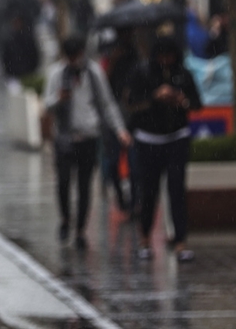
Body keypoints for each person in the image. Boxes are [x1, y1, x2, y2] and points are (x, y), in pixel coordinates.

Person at [43, 36, 131, 249]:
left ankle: (81, 229)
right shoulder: (57, 73)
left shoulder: (94, 73)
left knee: (84, 185)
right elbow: (46, 104)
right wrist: (58, 98)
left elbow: (107, 103)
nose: (74, 61)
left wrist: (120, 130)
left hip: (89, 138)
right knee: (63, 183)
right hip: (64, 137)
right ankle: (65, 219)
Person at [127, 36, 202, 262]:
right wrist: (155, 98)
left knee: (177, 190)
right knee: (149, 191)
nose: (166, 61)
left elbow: (197, 103)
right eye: (162, 56)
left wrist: (181, 101)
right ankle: (145, 239)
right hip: (149, 139)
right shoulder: (142, 73)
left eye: (170, 56)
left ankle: (180, 241)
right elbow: (131, 104)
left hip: (177, 138)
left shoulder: (183, 74)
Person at [99, 27, 139, 215]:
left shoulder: (136, 55)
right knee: (113, 160)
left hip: (131, 115)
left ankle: (134, 202)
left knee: (133, 162)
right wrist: (113, 60)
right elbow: (102, 84)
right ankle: (120, 197)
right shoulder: (109, 55)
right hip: (112, 114)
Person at [0, 13, 40, 93]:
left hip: (27, 75)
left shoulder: (28, 39)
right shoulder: (9, 40)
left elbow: (34, 55)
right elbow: (5, 57)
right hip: (13, 76)